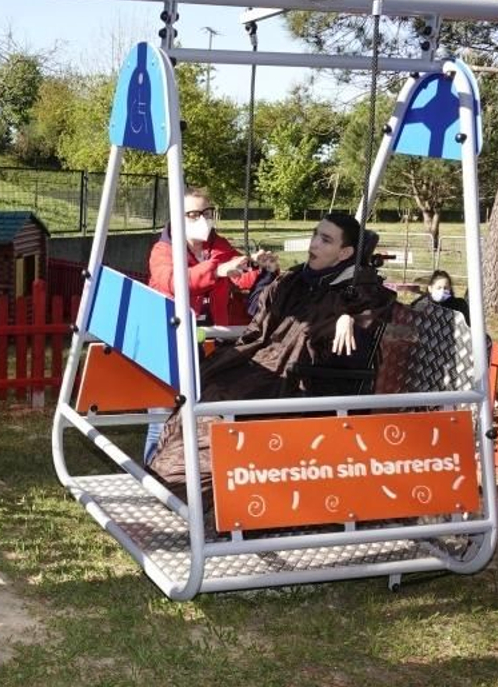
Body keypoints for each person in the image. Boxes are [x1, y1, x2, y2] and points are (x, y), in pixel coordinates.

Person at [148, 212, 395, 489]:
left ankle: (192, 488)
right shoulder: (299, 279)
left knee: (220, 409)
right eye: (315, 234)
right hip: (266, 367)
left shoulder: (361, 293)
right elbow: (261, 312)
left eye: (325, 240)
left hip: (298, 386)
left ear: (345, 252)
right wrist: (265, 276)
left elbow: (355, 338)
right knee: (206, 389)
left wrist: (351, 316)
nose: (313, 244)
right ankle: (171, 479)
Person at [146, 186, 272, 326]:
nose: (202, 220)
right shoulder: (162, 251)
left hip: (216, 330)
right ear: (177, 218)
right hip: (174, 330)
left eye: (206, 214)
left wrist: (260, 267)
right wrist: (215, 271)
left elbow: (239, 275)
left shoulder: (220, 245)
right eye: (193, 215)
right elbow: (174, 282)